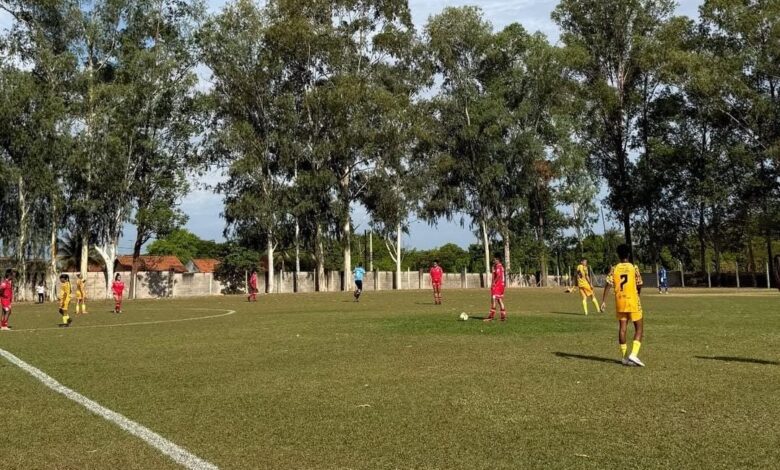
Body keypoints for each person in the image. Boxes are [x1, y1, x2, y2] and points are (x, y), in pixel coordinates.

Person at [601, 244, 645, 367]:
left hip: (620, 301)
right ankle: (634, 354)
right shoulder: (633, 267)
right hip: (632, 300)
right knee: (639, 328)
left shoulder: (614, 268)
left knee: (622, 328)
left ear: (618, 255)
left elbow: (608, 284)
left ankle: (625, 357)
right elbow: (640, 283)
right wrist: (638, 295)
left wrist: (603, 301)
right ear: (628, 254)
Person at [484, 254, 507, 322]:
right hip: (501, 286)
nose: (493, 261)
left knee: (493, 300)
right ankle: (503, 316)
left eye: (494, 260)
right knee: (499, 300)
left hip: (497, 285)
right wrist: (493, 269)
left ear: (498, 259)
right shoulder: (500, 266)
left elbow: (499, 275)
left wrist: (494, 282)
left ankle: (491, 317)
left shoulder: (498, 266)